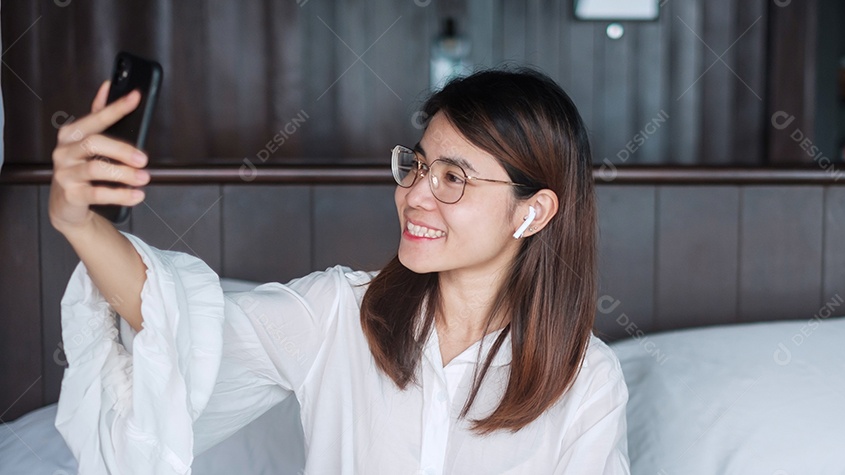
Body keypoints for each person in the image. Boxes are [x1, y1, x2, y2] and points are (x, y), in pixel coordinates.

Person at [49, 68, 630, 474]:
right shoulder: (339, 313)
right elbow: (176, 322)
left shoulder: (587, 381)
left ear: (533, 212)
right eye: (417, 165)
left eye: (453, 178)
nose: (415, 195)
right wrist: (77, 222)